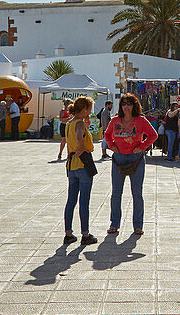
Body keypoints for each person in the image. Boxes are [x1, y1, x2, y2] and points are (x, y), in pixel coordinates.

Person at [103, 93, 158, 236]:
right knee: (116, 194)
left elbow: (153, 135)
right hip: (119, 159)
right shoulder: (115, 121)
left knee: (137, 194)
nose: (126, 106)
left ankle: (138, 225)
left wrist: (142, 146)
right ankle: (114, 224)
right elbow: (107, 134)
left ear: (134, 105)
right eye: (124, 104)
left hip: (136, 159)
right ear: (120, 106)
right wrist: (111, 145)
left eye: (129, 103)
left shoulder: (141, 120)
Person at [63, 96, 99, 247]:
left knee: (71, 200)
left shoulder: (69, 123)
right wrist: (81, 148)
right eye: (89, 109)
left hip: (71, 165)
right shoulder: (79, 124)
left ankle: (68, 233)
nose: (90, 112)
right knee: (84, 201)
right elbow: (79, 136)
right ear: (84, 109)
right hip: (83, 164)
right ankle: (85, 233)